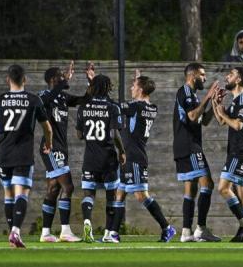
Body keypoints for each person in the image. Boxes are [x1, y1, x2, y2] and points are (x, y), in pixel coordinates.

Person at [0, 64, 52, 248]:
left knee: (8, 194)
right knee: (22, 193)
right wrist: (49, 143)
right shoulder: (33, 100)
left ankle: (13, 234)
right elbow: (47, 127)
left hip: (3, 155)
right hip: (23, 154)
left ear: (8, 80)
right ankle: (15, 231)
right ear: (25, 80)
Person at [111, 70, 176, 242]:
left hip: (135, 156)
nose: (131, 87)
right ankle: (113, 234)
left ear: (140, 90)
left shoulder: (136, 107)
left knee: (141, 195)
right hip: (129, 155)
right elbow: (135, 101)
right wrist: (138, 80)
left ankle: (167, 228)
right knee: (120, 193)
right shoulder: (151, 107)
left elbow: (116, 107)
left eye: (133, 86)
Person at [37, 61, 94, 243]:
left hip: (62, 147)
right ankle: (65, 231)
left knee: (54, 188)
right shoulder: (44, 96)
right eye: (61, 75)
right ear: (53, 79)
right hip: (51, 147)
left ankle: (45, 233)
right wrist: (65, 81)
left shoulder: (62, 97)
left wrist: (90, 82)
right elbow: (45, 102)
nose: (65, 76)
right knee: (68, 186)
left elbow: (84, 100)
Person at [75, 75, 127, 243]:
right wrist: (122, 151)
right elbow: (114, 133)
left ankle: (87, 222)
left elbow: (79, 135)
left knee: (89, 194)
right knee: (111, 196)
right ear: (108, 88)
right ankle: (108, 233)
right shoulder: (112, 108)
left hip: (89, 158)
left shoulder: (83, 107)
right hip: (108, 159)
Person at [173, 63, 221, 242]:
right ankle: (201, 228)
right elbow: (191, 116)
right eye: (202, 75)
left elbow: (203, 120)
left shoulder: (192, 96)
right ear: (192, 76)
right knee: (207, 184)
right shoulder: (185, 91)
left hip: (184, 145)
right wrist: (208, 96)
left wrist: (214, 102)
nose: (205, 78)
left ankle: (186, 232)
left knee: (191, 189)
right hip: (189, 146)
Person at [213, 67, 243, 242]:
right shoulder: (236, 100)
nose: (227, 77)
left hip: (240, 151)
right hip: (238, 149)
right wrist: (216, 103)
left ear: (238, 80)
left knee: (223, 188)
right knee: (241, 192)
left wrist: (223, 113)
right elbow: (222, 121)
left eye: (230, 74)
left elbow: (237, 125)